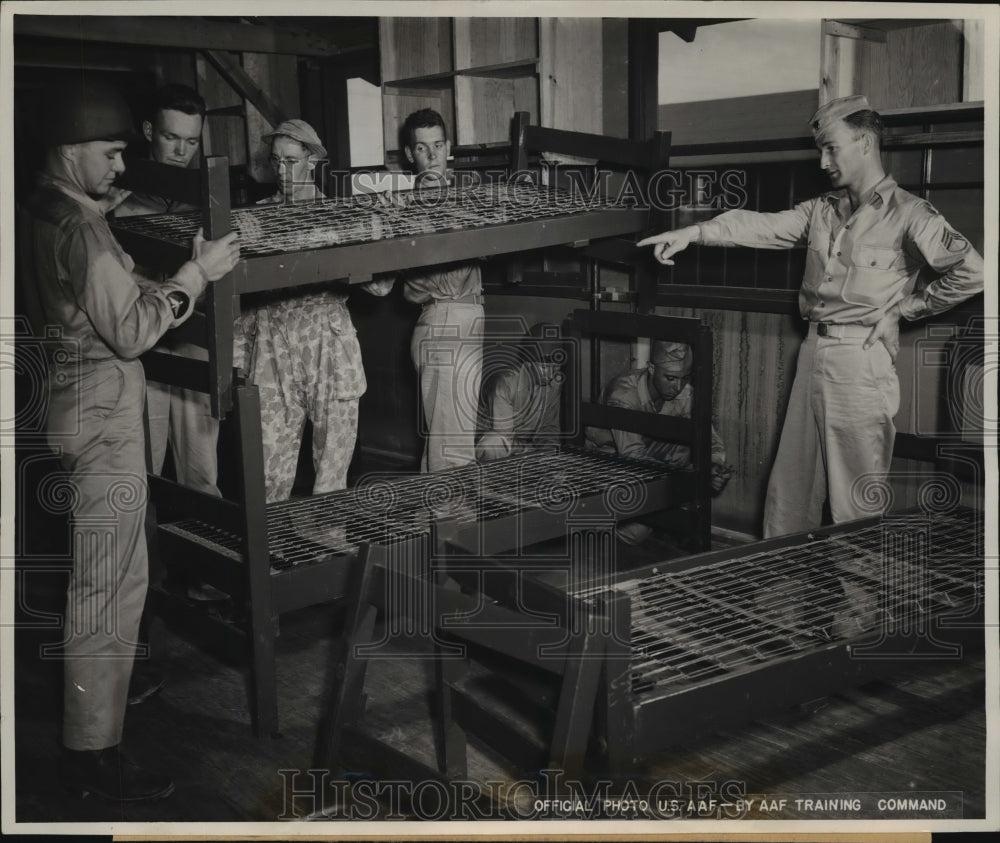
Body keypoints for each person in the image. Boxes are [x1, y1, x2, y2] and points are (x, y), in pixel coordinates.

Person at [18, 78, 239, 803]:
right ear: (73, 147)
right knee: (108, 591)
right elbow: (135, 329)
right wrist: (194, 276)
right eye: (111, 153)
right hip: (105, 418)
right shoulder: (82, 227)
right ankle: (93, 763)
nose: (121, 166)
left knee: (95, 581)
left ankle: (92, 743)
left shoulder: (39, 205)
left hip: (61, 406)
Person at [638, 94, 984, 538]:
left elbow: (973, 271)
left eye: (831, 147)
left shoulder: (910, 214)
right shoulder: (823, 210)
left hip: (861, 359)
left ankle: (857, 609)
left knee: (854, 503)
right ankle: (781, 600)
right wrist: (694, 231)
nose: (822, 161)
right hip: (814, 351)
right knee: (790, 492)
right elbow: (760, 226)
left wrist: (905, 309)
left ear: (864, 143)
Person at [238, 119, 392, 503]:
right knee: (267, 472)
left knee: (331, 471)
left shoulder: (340, 216)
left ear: (313, 161)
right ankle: (268, 559)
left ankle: (328, 552)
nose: (282, 171)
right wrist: (238, 355)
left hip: (327, 342)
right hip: (271, 345)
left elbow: (381, 286)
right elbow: (236, 295)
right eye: (275, 161)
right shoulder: (255, 219)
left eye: (291, 160)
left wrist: (384, 230)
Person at [115, 84, 220, 495]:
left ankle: (207, 555)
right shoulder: (117, 198)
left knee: (203, 467)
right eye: (170, 137)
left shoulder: (206, 200)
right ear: (147, 131)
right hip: (143, 347)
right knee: (146, 465)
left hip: (195, 341)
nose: (181, 151)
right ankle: (150, 557)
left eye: (191, 141)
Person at [399, 108, 484, 472]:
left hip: (456, 319)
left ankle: (430, 526)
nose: (432, 156)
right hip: (445, 319)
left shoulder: (464, 192)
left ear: (449, 147)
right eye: (422, 148)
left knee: (444, 440)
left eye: (437, 145)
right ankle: (453, 528)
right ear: (409, 154)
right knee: (453, 450)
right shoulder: (412, 205)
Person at [586, 341, 731, 545]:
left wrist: (713, 467)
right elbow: (633, 456)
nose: (678, 387)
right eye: (670, 378)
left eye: (684, 378)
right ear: (652, 368)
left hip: (648, 461)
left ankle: (660, 508)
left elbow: (710, 440)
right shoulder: (624, 394)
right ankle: (597, 523)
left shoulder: (684, 393)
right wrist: (681, 485)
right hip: (608, 467)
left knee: (689, 443)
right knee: (635, 533)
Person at [476, 322, 564, 461]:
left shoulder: (553, 383)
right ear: (528, 362)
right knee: (492, 445)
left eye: (556, 367)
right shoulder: (504, 383)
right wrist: (531, 451)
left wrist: (550, 455)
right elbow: (503, 438)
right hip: (487, 444)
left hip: (523, 447)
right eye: (544, 367)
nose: (551, 374)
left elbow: (548, 429)